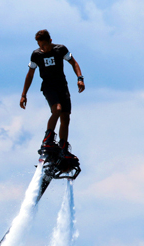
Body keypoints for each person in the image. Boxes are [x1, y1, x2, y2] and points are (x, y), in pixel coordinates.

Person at [20, 29, 84, 160]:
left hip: (62, 86)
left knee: (65, 117)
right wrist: (24, 94)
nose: (42, 48)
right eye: (39, 45)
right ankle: (48, 139)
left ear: (50, 41)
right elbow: (30, 74)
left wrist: (80, 78)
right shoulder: (36, 55)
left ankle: (63, 148)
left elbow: (74, 63)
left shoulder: (60, 49)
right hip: (48, 87)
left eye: (44, 45)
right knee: (57, 109)